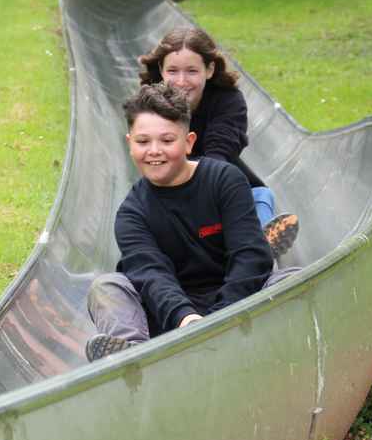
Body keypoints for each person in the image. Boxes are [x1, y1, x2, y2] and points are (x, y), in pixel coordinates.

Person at [84, 83, 297, 361]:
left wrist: (219, 318)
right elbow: (151, 274)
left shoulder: (224, 180)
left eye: (167, 140)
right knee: (106, 287)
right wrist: (186, 319)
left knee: (291, 279)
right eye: (143, 142)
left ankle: (281, 343)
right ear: (130, 143)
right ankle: (134, 358)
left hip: (237, 302)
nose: (154, 151)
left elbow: (248, 254)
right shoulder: (132, 213)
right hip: (173, 319)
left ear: (188, 142)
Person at [138, 25, 297, 257]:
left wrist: (208, 194)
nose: (181, 81)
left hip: (218, 182)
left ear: (209, 70)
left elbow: (220, 150)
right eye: (173, 71)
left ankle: (261, 245)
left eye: (192, 71)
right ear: (161, 70)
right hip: (171, 189)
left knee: (261, 195)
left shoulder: (228, 101)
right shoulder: (150, 105)